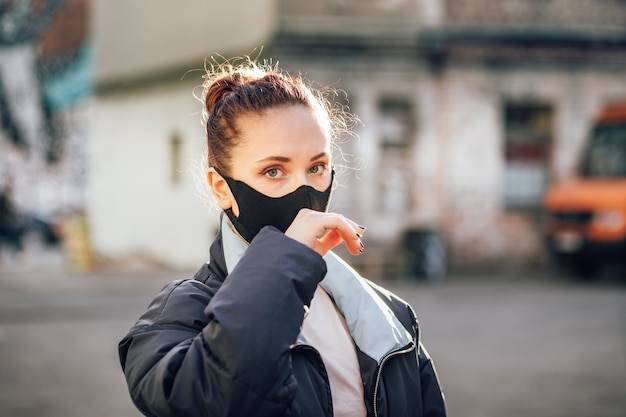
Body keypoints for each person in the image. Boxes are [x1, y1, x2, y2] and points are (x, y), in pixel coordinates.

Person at [118, 58, 447, 417]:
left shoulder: (391, 315)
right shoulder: (180, 315)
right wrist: (285, 260)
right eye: (274, 170)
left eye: (317, 167)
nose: (304, 190)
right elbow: (204, 400)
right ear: (222, 189)